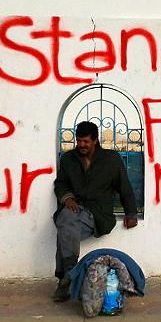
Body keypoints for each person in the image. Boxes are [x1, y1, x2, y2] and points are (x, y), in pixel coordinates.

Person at [52, 121, 138, 301]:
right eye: (79, 141)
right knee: (66, 221)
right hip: (75, 209)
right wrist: (67, 197)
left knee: (65, 224)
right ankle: (67, 277)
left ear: (95, 140)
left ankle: (66, 277)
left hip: (98, 214)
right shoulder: (68, 159)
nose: (81, 145)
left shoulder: (111, 160)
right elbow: (60, 183)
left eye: (86, 141)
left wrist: (131, 213)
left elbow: (125, 187)